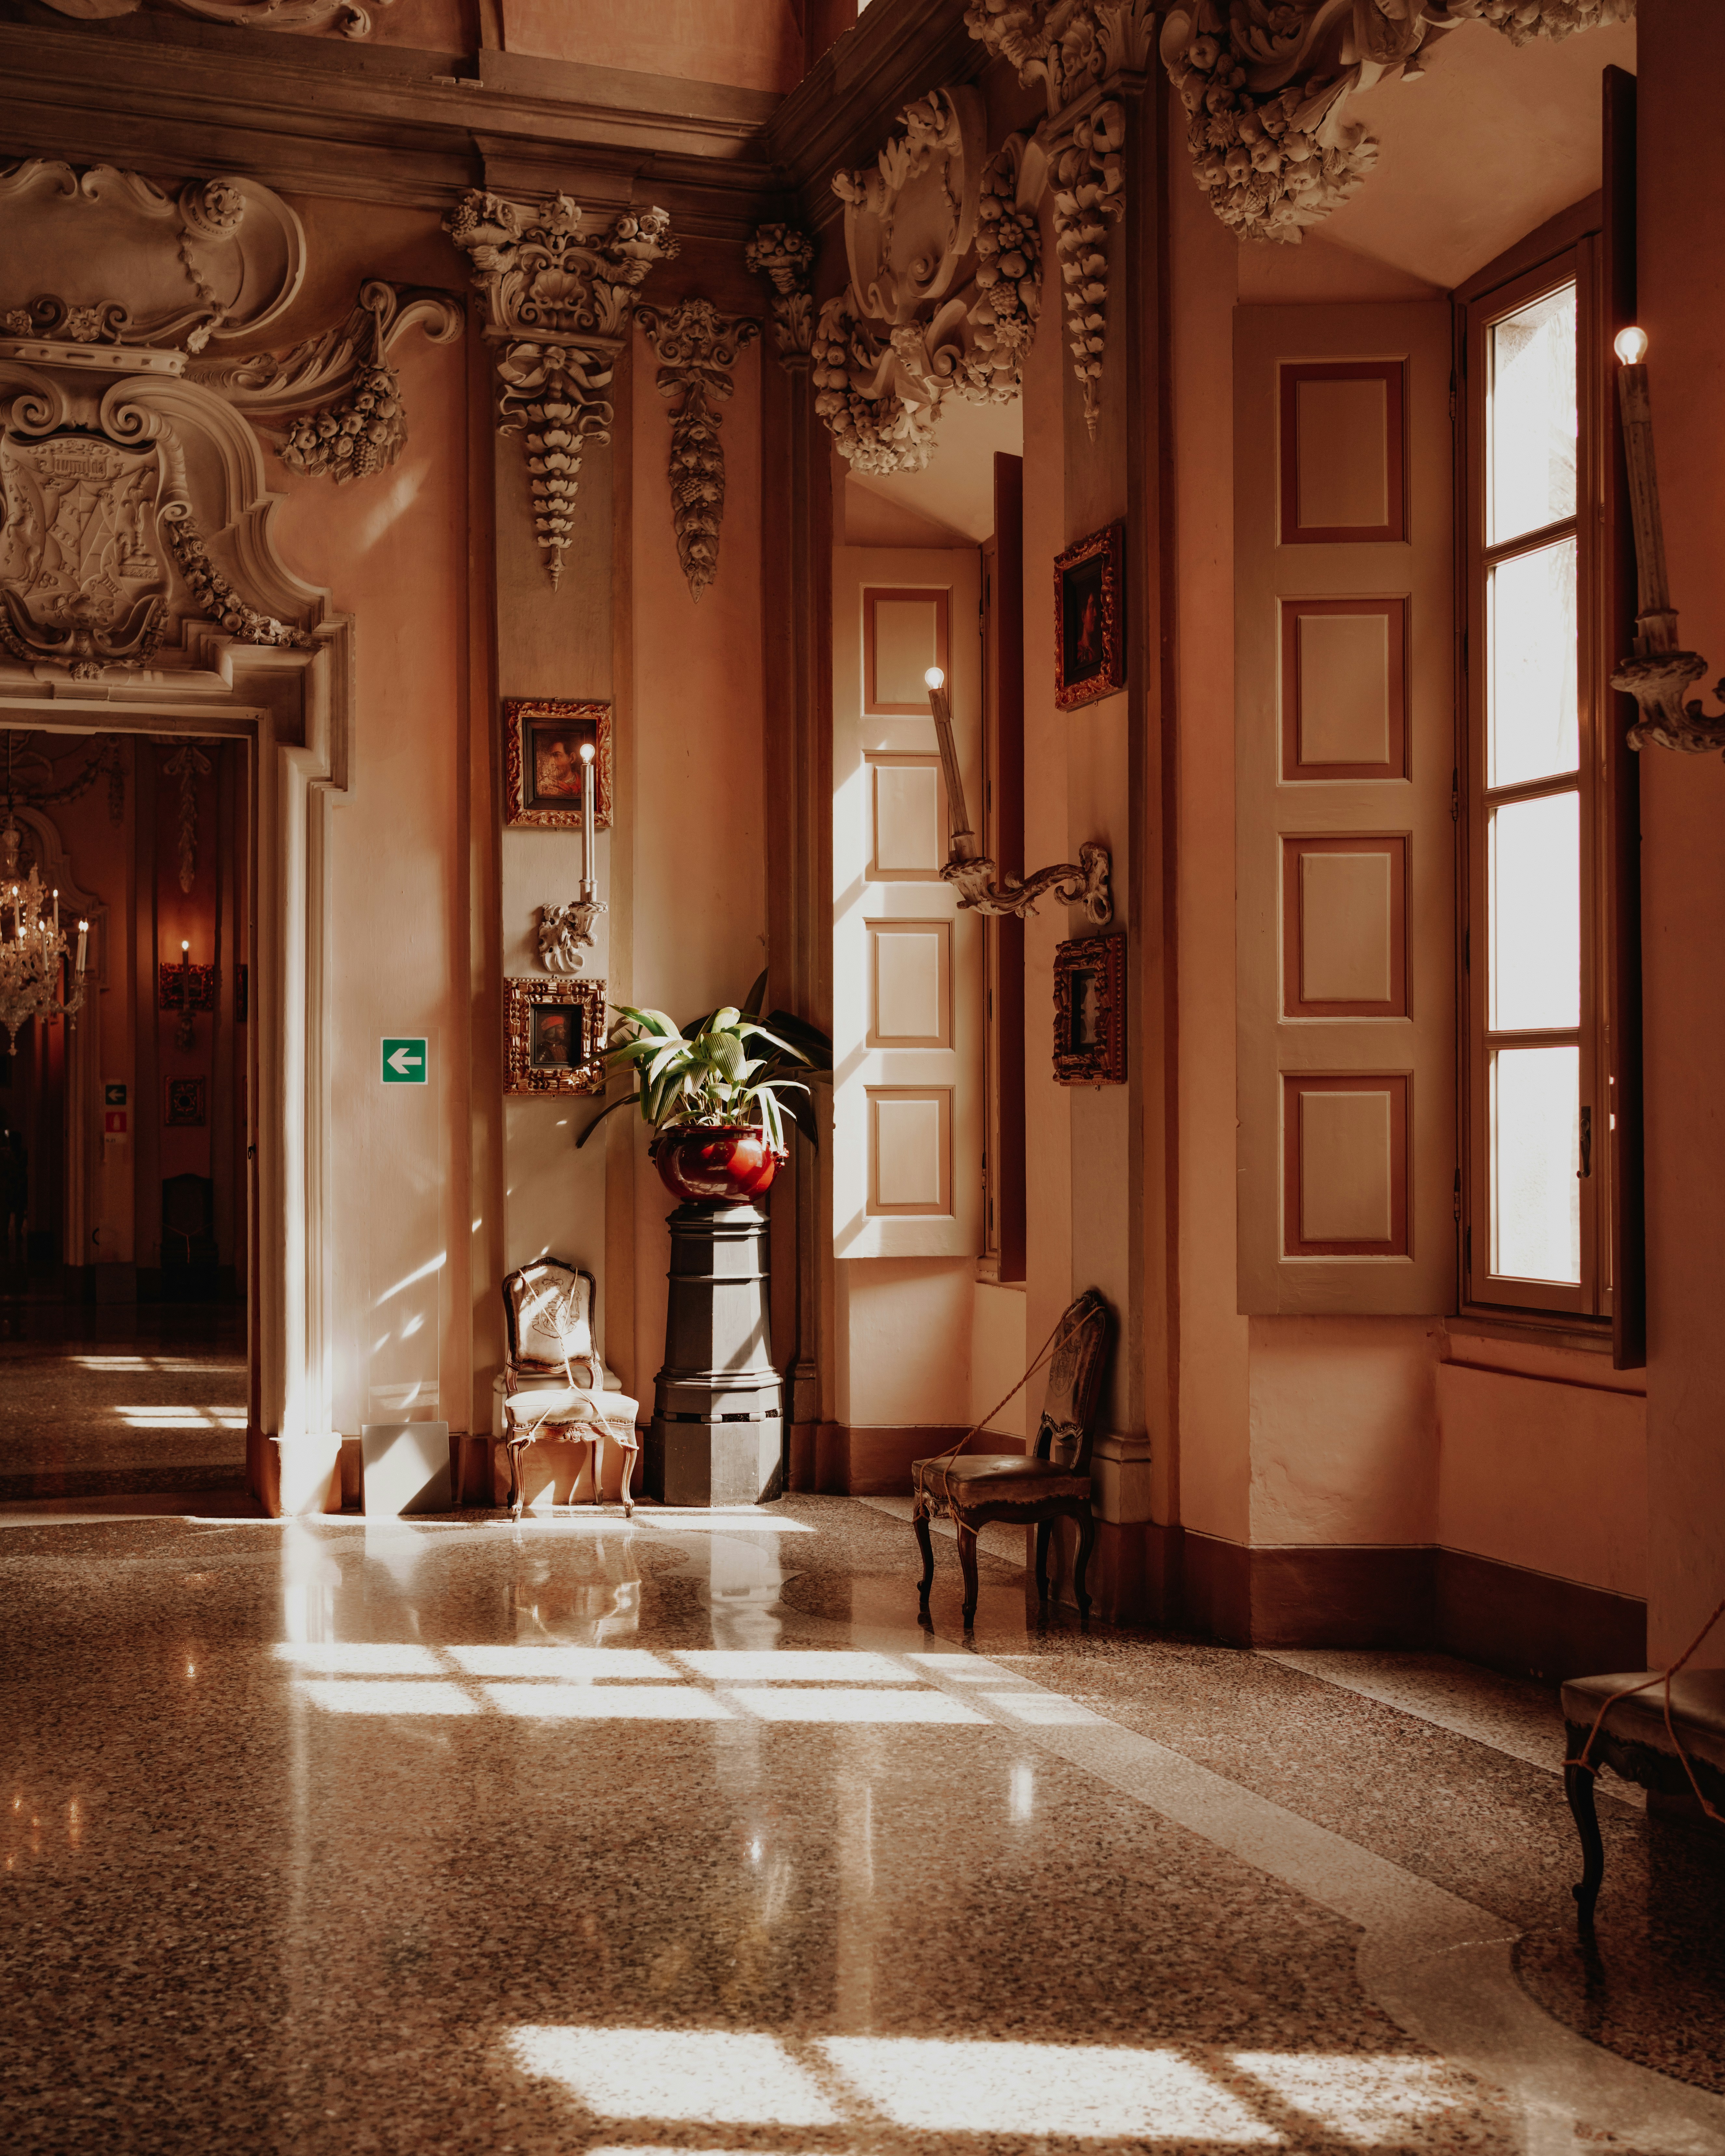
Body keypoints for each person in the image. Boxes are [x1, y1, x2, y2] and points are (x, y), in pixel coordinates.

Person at [0, 1125, 26, 1263]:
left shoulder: (22, 1153)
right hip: (9, 1185)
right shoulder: (5, 1153)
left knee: (18, 1210)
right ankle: (5, 1232)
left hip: (17, 1184)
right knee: (6, 1210)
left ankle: (16, 1232)